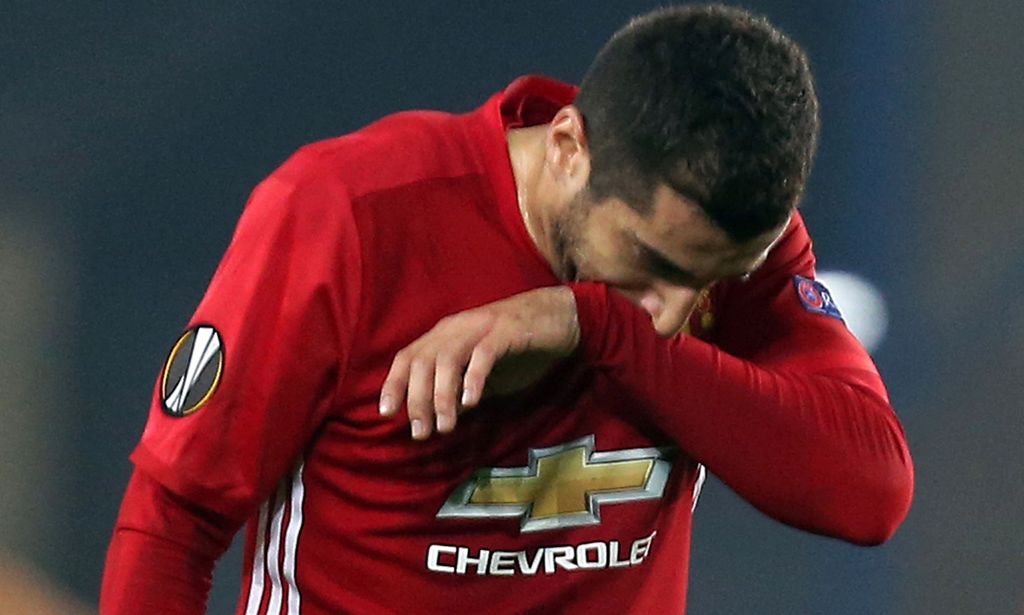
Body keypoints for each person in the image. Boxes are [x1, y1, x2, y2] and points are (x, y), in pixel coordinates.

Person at [101, 5, 914, 614]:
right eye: (651, 265)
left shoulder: (715, 255)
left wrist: (593, 324)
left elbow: (868, 490)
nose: (671, 311)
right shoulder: (348, 213)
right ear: (567, 146)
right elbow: (176, 517)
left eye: (712, 279)